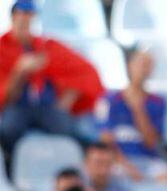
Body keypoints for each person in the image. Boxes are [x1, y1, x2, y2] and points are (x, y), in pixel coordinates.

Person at [0, 0, 103, 159]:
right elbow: (6, 97)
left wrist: (67, 99)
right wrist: (19, 72)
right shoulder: (2, 49)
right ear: (13, 18)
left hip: (47, 107)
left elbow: (85, 72)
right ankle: (10, 166)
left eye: (29, 18)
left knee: (70, 129)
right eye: (21, 18)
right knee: (8, 129)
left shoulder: (46, 47)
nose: (25, 23)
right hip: (18, 107)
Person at [97, 51, 167, 185]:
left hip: (148, 160)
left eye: (149, 65)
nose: (144, 69)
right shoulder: (109, 100)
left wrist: (138, 109)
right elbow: (105, 139)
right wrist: (127, 166)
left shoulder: (158, 102)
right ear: (129, 66)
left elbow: (152, 142)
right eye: (141, 64)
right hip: (118, 160)